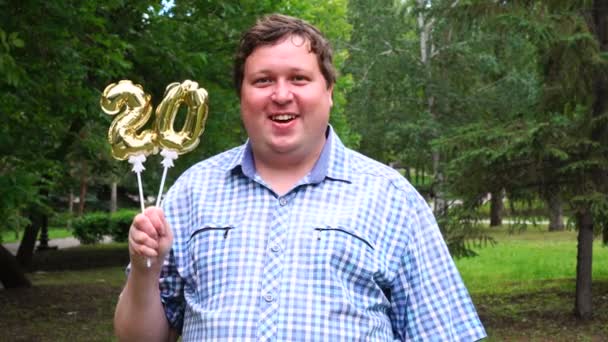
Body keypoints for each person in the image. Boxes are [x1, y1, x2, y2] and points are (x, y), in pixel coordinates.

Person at [114, 14, 487, 341]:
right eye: (262, 80)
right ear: (241, 95)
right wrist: (145, 270)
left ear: (329, 92)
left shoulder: (392, 198)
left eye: (299, 78)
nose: (281, 95)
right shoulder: (191, 192)